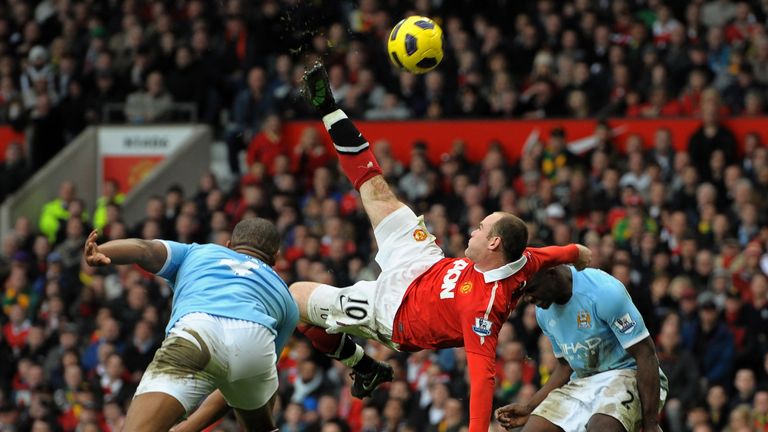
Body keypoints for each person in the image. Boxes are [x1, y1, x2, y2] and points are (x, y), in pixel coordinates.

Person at [288, 63, 592, 432]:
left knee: (295, 298)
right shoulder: (522, 260)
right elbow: (556, 253)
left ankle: (362, 365)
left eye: (480, 228)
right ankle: (329, 108)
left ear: (494, 242)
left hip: (395, 312)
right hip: (426, 263)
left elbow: (482, 381)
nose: (473, 229)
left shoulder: (484, 309)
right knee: (377, 190)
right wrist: (578, 251)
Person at [83, 217, 298, 432]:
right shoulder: (286, 299)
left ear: (229, 246)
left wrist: (101, 250)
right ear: (275, 258)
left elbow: (144, 249)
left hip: (198, 330)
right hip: (255, 342)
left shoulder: (198, 252)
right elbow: (241, 378)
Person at [495, 266, 667, 432]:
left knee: (603, 426)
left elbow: (645, 354)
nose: (528, 299)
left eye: (531, 289)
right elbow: (565, 366)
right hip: (583, 380)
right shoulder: (543, 311)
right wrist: (530, 407)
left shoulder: (603, 291)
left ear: (551, 274)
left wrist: (651, 424)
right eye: (523, 293)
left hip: (628, 372)